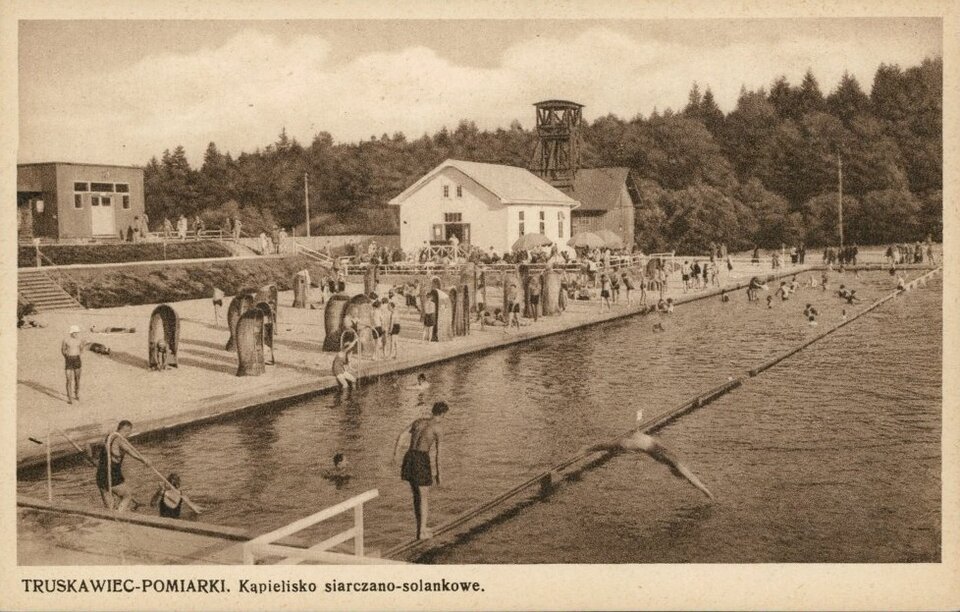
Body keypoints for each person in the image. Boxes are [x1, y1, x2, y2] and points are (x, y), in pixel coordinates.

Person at [581, 430, 714, 500]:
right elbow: (691, 478)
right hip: (644, 445)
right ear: (676, 472)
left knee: (615, 444)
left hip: (646, 441)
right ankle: (588, 449)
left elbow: (689, 477)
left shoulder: (673, 458)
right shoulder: (675, 464)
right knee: (613, 446)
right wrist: (707, 493)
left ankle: (590, 447)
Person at [393, 401, 449, 539]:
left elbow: (401, 436)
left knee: (416, 496)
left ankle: (420, 528)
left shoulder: (418, 421)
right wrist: (439, 474)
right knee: (424, 496)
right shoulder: (438, 428)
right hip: (421, 458)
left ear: (433, 411)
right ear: (443, 414)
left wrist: (396, 455)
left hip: (409, 456)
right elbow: (439, 454)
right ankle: (422, 531)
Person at [97, 420, 148, 511]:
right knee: (127, 495)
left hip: (101, 476)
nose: (128, 435)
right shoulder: (119, 440)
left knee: (109, 508)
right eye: (129, 432)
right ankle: (120, 514)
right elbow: (129, 451)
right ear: (127, 430)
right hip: (112, 475)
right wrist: (144, 460)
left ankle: (115, 514)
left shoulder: (109, 437)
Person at [61, 325, 86, 404]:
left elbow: (81, 350)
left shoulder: (79, 340)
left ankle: (76, 394)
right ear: (71, 333)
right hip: (69, 359)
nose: (76, 334)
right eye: (74, 332)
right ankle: (69, 398)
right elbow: (63, 350)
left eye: (77, 332)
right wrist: (66, 356)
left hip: (77, 359)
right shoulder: (66, 340)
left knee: (77, 379)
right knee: (69, 379)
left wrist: (78, 352)